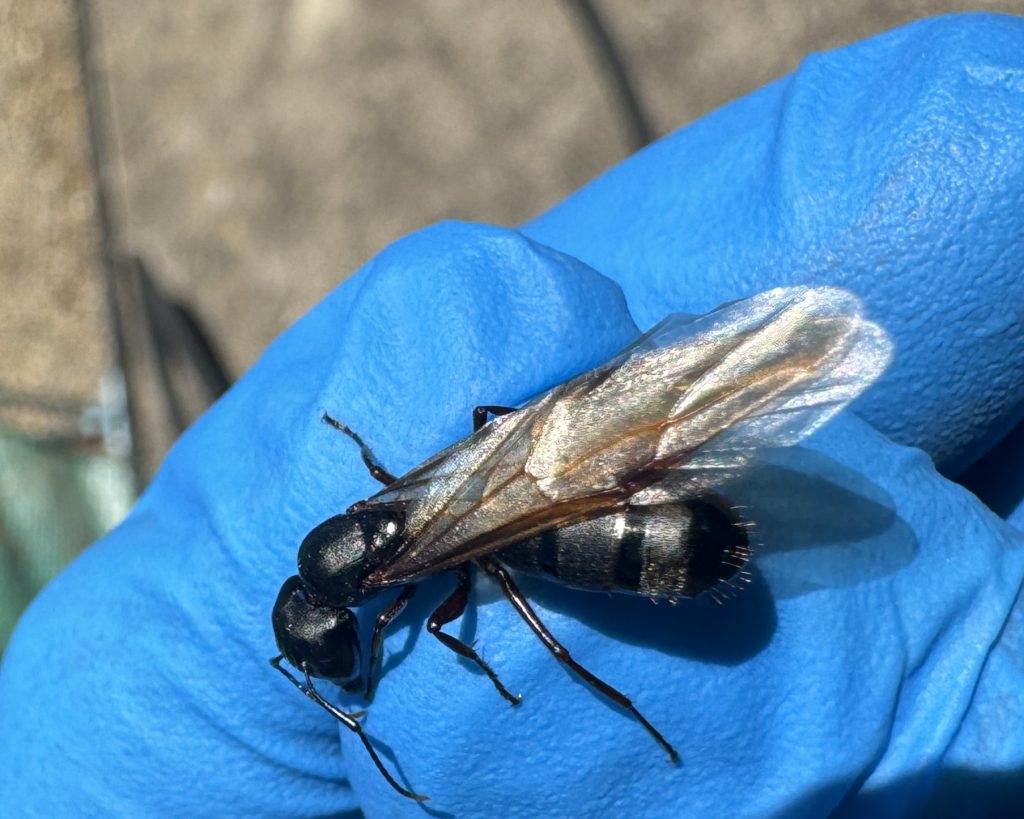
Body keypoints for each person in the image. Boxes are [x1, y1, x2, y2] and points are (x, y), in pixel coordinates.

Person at [2, 13, 1023, 817]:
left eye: (335, 650)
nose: (349, 656)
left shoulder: (402, 594)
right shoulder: (385, 525)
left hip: (582, 520)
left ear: (351, 606)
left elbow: (448, 622)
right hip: (519, 490)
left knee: (544, 611)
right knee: (535, 458)